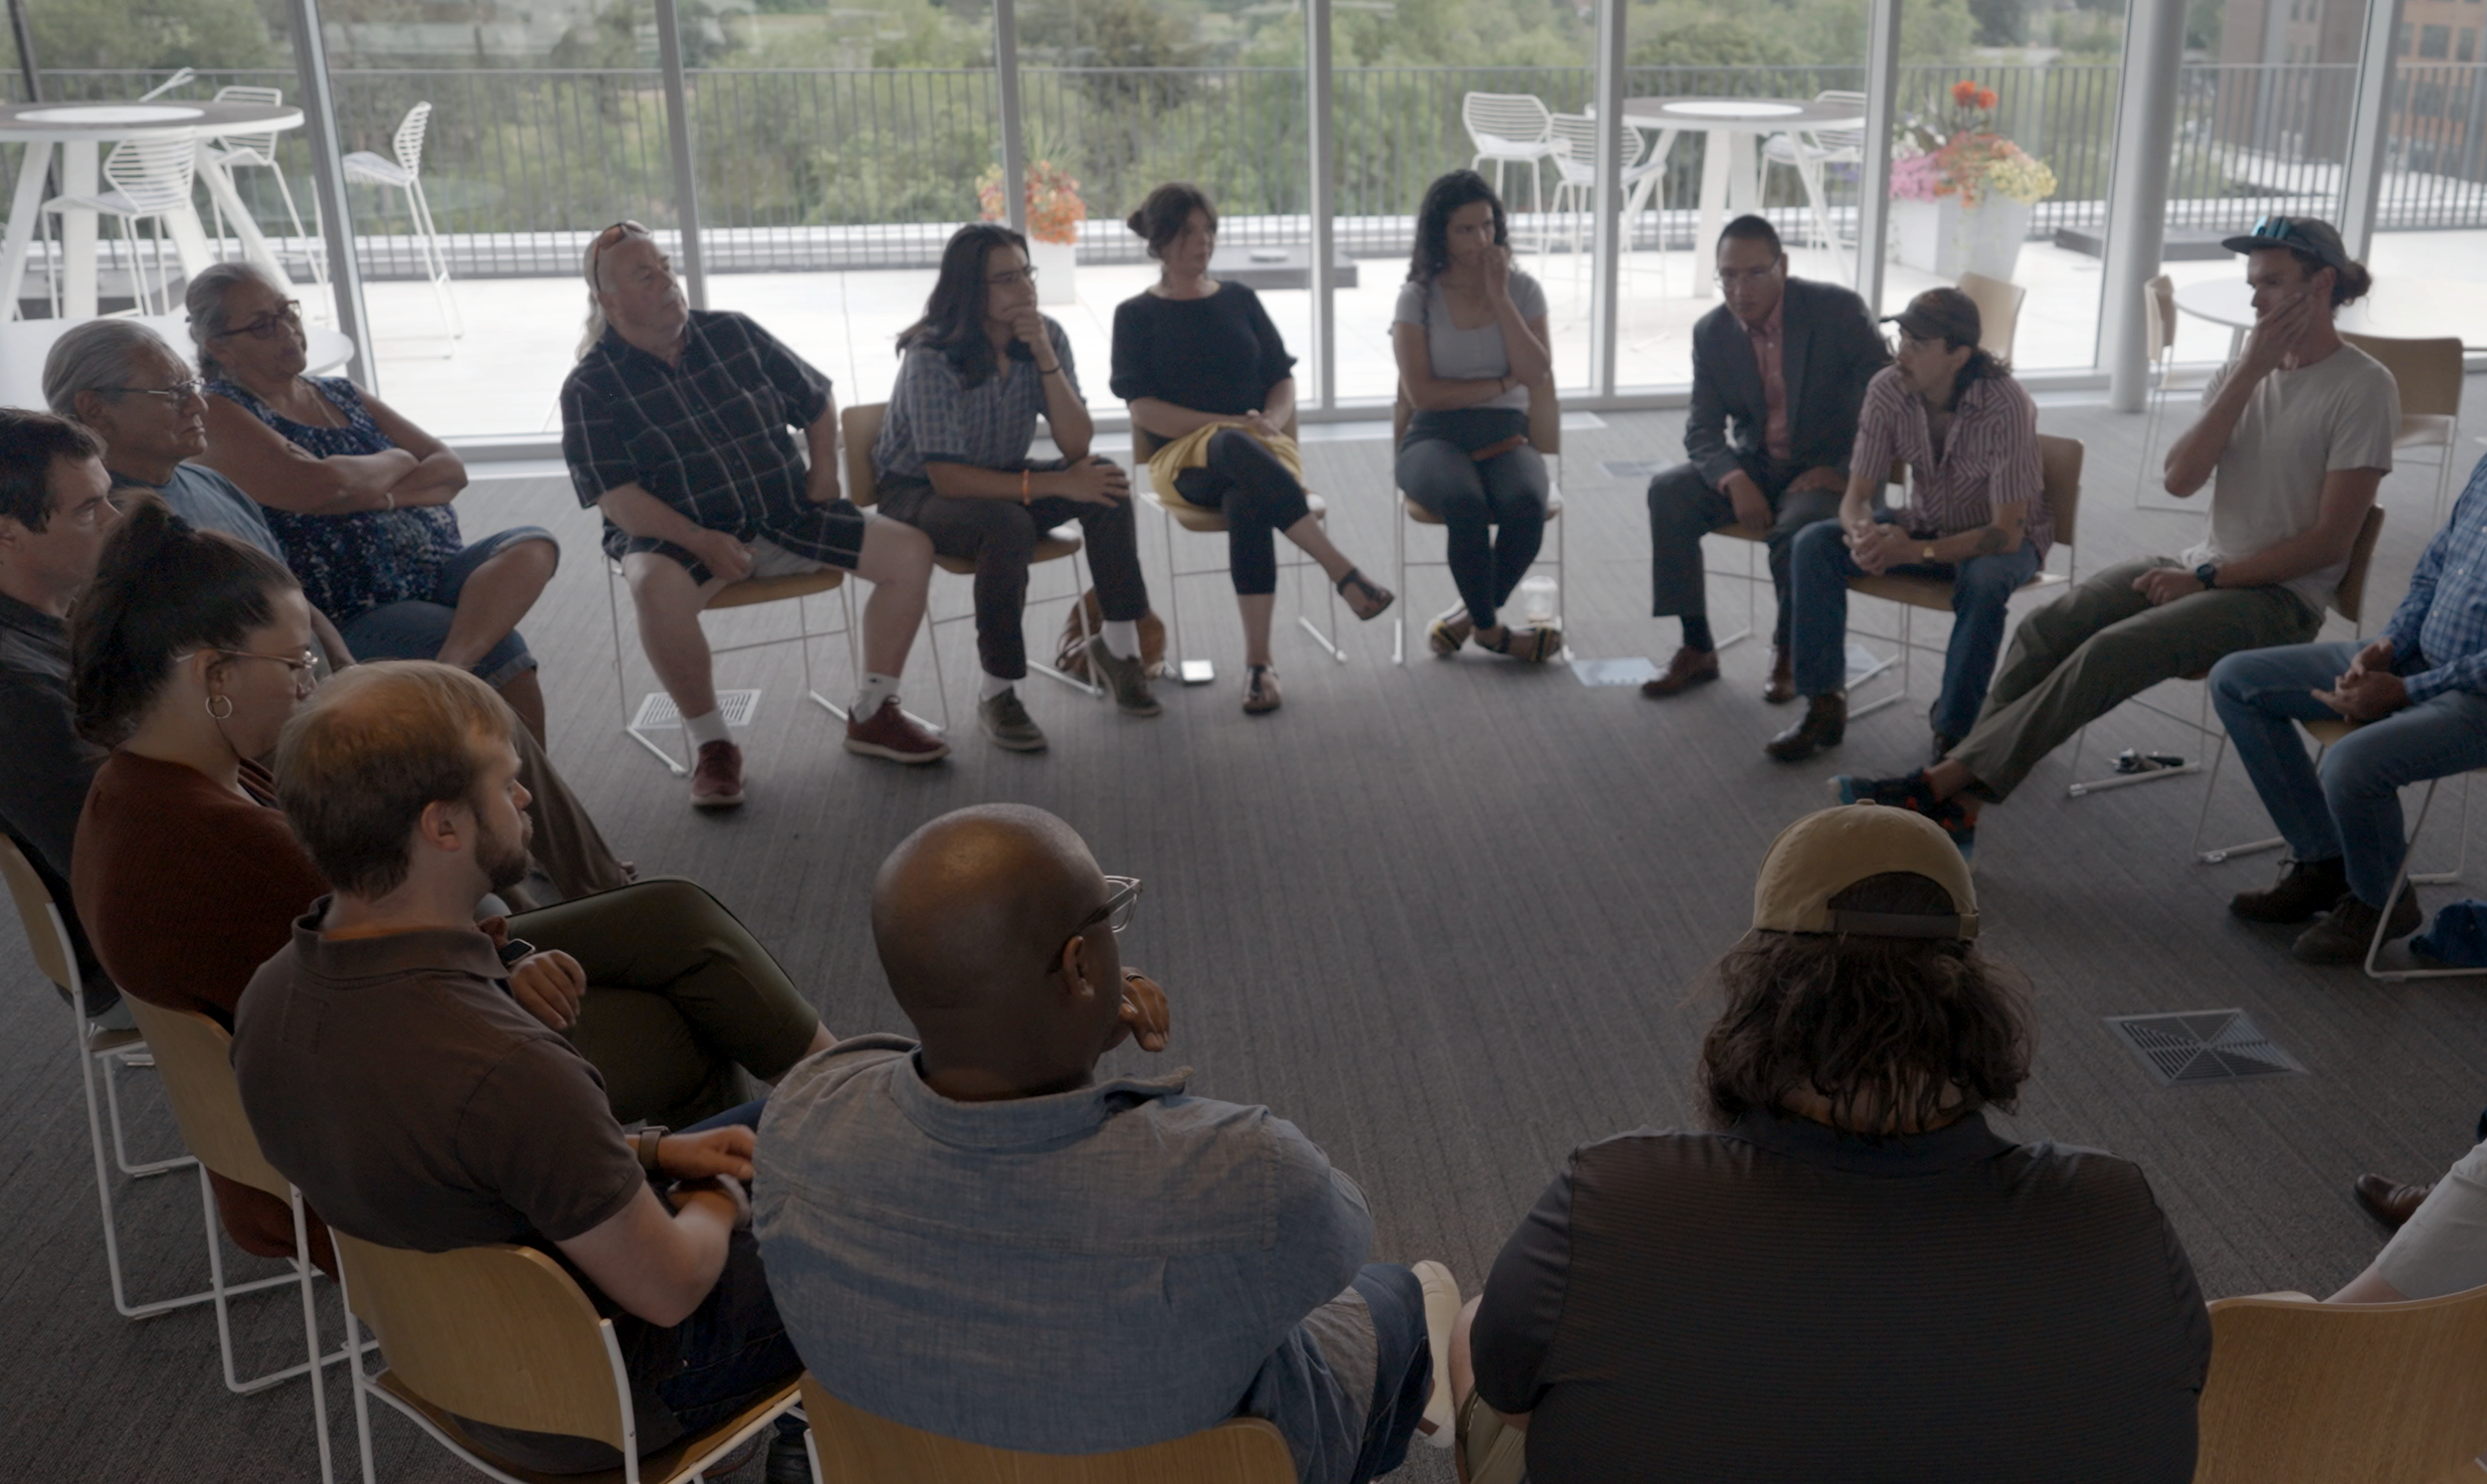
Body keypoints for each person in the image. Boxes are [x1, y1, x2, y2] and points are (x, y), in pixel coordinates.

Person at [70, 505, 830, 1269]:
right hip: (381, 1114)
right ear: (215, 674)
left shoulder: (145, 783)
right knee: (677, 1027)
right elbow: (394, 989)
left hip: (388, 1033)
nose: (311, 685)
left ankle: (829, 1100)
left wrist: (508, 953)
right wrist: (500, 968)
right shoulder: (226, 844)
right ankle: (713, 1226)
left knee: (670, 913)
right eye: (297, 664)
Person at [1450, 805, 2210, 1484]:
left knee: (1468, 1322)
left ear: (1758, 992)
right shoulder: (2116, 1217)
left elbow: (1514, 1401)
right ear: (1972, 1001)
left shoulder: (1612, 1200)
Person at [754, 803, 1461, 1483]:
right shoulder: (1249, 1169)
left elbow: (906, 1078)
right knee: (1396, 1294)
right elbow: (1342, 1235)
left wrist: (1065, 1031)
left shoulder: (797, 1124)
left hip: (916, 1465)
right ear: (1080, 966)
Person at [234, 661, 809, 1477]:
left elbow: (462, 1166)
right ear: (442, 827)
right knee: (881, 1188)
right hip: (605, 1391)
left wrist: (653, 1154)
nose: (528, 797)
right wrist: (717, 1197)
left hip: (458, 1355)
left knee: (819, 1114)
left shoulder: (272, 993)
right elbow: (673, 1287)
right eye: (507, 782)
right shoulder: (506, 1064)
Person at [1837, 216, 2394, 859]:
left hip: (2277, 600)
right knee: (2046, 629)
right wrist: (2250, 374)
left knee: (2108, 650)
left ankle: (1932, 787)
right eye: (2252, 283)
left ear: (2321, 284)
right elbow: (2180, 480)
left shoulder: (2363, 387)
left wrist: (2205, 580)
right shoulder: (2246, 368)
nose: (2254, 299)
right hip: (2202, 565)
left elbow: (2329, 544)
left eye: (2271, 283)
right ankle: (1958, 803)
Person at [40, 317, 633, 903]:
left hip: (313, 677)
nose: (198, 403)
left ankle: (591, 890)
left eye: (191, 384)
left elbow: (289, 590)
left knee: (480, 709)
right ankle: (521, 926)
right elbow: (192, 684)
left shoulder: (207, 482)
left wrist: (345, 664)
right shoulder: (116, 528)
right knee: (456, 742)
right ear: (95, 410)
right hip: (259, 715)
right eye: (172, 392)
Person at [562, 220, 946, 808]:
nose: (667, 279)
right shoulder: (591, 386)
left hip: (787, 511)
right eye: (647, 274)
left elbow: (815, 398)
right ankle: (714, 744)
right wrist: (697, 537)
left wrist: (823, 469)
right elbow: (618, 499)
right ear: (608, 300)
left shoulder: (732, 333)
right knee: (651, 584)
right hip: (678, 536)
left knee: (910, 551)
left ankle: (874, 710)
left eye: (665, 264)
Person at [185, 263, 561, 748]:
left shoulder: (339, 392)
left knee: (533, 544)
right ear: (219, 346)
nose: (288, 330)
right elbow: (325, 487)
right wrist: (397, 459)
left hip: (436, 570)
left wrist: (377, 493)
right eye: (263, 325)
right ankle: (520, 797)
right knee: (506, 651)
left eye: (287, 312)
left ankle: (449, 669)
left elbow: (451, 469)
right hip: (358, 602)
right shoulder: (222, 411)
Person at [872, 223, 1159, 751]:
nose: (1024, 288)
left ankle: (1119, 648)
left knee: (1105, 482)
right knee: (1007, 525)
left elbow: (1077, 445)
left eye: (1025, 272)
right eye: (1006, 278)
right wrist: (1049, 485)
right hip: (919, 490)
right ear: (970, 290)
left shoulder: (1044, 335)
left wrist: (1046, 358)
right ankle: (997, 690)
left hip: (1000, 472)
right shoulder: (931, 354)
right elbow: (948, 477)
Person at [1112, 182, 1395, 714]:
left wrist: (1271, 420)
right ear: (1160, 240)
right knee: (1227, 446)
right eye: (1190, 232)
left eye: (1209, 230)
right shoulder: (1135, 315)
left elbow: (1281, 379)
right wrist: (1226, 425)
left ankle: (1259, 665)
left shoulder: (1240, 299)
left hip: (1262, 453)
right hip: (1182, 461)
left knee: (1247, 499)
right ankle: (1343, 573)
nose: (1204, 242)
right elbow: (1143, 410)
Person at [2210, 451, 2487, 962]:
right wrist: (2388, 645)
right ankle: (2326, 863)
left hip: (2475, 695)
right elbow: (2433, 573)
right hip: (2417, 657)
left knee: (2352, 763)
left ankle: (2381, 900)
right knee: (2236, 680)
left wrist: (2406, 690)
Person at [1765, 287, 2050, 765]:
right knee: (1813, 544)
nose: (1902, 352)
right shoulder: (1888, 388)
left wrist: (1911, 554)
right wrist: (1861, 533)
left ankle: (1954, 733)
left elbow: (2006, 533)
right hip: (1925, 524)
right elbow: (1856, 497)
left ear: (1958, 354)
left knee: (1984, 582)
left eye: (1918, 343)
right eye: (1901, 337)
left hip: (1997, 541)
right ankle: (1823, 704)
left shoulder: (2005, 405)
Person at [1641, 215, 1889, 702]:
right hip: (1759, 463)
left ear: (1784, 267)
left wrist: (1844, 473)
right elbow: (1702, 428)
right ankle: (1697, 647)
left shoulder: (1837, 311)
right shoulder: (1711, 332)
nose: (1740, 289)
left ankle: (1790, 650)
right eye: (1728, 275)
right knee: (1667, 493)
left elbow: (1888, 406)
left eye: (1755, 273)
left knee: (1795, 531)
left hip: (1834, 469)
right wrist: (1733, 477)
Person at [1393, 170, 1560, 663]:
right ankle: (1491, 631)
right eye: (1465, 230)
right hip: (1433, 438)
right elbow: (1422, 394)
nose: (1480, 239)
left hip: (1506, 433)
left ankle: (1467, 618)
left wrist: (1500, 295)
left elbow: (1536, 370)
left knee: (1528, 502)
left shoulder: (1524, 290)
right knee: (1463, 502)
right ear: (1439, 234)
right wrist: (1501, 384)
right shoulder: (1418, 296)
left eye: (1487, 226)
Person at [0, 410, 129, 1028]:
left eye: (108, 499)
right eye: (87, 511)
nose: (115, 522)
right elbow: (124, 865)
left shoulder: (66, 614)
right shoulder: (16, 692)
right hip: (139, 955)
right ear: (7, 535)